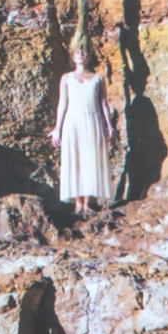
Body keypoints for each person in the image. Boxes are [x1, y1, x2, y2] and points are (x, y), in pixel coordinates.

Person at [49, 45, 116, 218]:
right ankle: (77, 204)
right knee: (75, 159)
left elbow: (103, 104)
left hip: (93, 121)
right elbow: (62, 103)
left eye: (84, 52)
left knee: (90, 160)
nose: (81, 55)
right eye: (78, 53)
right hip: (73, 122)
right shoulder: (67, 78)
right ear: (73, 57)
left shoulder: (97, 78)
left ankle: (87, 204)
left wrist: (110, 125)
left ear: (88, 57)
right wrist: (58, 128)